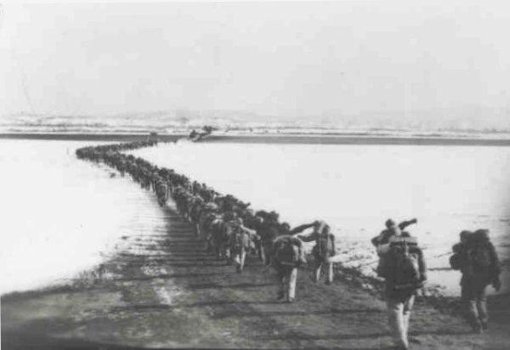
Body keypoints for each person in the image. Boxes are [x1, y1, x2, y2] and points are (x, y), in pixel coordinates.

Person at [378, 231, 427, 350]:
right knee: (406, 312)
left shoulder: (390, 251)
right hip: (411, 288)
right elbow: (423, 273)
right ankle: (403, 339)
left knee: (395, 313)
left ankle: (400, 342)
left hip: (394, 288)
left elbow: (382, 272)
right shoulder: (418, 251)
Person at [450, 229, 501, 333]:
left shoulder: (465, 248)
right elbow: (495, 263)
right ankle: (484, 322)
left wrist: (455, 255)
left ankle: (476, 325)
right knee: (481, 300)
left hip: (469, 280)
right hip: (484, 279)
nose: (461, 240)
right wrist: (495, 279)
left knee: (468, 302)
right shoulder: (486, 247)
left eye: (461, 238)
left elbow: (456, 265)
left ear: (465, 238)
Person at [272, 234, 306, 302]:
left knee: (279, 280)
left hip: (280, 265)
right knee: (291, 281)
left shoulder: (278, 244)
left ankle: (280, 292)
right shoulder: (296, 246)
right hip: (291, 266)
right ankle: (289, 297)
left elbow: (274, 256)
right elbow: (300, 258)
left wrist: (275, 265)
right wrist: (298, 264)